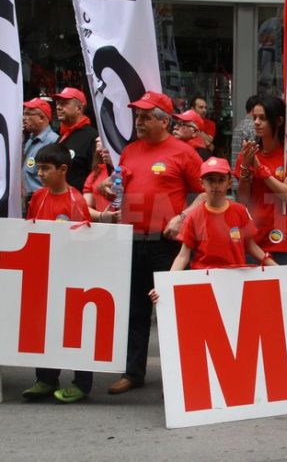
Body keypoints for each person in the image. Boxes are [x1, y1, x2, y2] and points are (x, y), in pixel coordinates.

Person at [106, 91, 205, 395]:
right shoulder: (129, 151)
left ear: (164, 121)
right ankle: (132, 372)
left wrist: (181, 216)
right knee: (135, 310)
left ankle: (186, 373)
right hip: (133, 240)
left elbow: (205, 193)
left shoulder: (184, 152)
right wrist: (110, 190)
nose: (140, 121)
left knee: (174, 309)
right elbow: (118, 185)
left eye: (147, 116)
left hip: (167, 245)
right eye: (138, 116)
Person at [149, 157, 277, 304]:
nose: (215, 185)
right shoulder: (194, 216)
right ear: (201, 183)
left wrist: (279, 269)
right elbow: (183, 256)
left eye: (221, 180)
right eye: (210, 180)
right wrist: (165, 286)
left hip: (235, 280)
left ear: (229, 183)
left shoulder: (240, 211)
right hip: (204, 283)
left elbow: (251, 245)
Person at [22, 143, 93, 404]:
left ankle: (82, 382)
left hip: (71, 277)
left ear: (63, 170)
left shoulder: (75, 201)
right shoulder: (38, 197)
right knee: (46, 327)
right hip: (44, 273)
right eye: (39, 168)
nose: (40, 174)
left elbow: (84, 242)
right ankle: (46, 378)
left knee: (75, 330)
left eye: (45, 169)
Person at [235, 96, 287, 265]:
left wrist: (259, 168)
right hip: (254, 240)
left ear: (279, 121)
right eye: (255, 118)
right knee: (254, 292)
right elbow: (243, 200)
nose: (256, 122)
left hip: (286, 240)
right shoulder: (249, 154)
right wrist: (245, 168)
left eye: (263, 118)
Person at [53, 87, 97, 193]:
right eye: (58, 103)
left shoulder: (92, 137)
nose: (58, 107)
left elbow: (96, 175)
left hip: (79, 202)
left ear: (79, 108)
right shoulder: (61, 136)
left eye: (64, 103)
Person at [22, 97, 59, 210]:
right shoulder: (29, 140)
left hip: (41, 202)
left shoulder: (53, 141)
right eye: (24, 114)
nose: (24, 118)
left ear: (41, 118)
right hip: (26, 201)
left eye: (29, 114)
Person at [82, 137, 119, 223]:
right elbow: (84, 207)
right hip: (102, 226)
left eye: (102, 135)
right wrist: (101, 216)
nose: (97, 139)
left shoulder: (130, 168)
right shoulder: (96, 173)